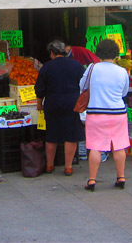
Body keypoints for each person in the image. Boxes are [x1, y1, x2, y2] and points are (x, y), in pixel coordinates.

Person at [81, 39, 130, 192]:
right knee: (119, 145)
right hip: (118, 113)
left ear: (99, 53)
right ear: (115, 53)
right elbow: (124, 92)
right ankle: (121, 177)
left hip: (96, 113)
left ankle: (92, 180)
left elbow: (82, 86)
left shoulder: (92, 68)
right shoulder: (122, 71)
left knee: (95, 146)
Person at [35, 40, 85, 176]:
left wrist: (39, 103)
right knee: (71, 135)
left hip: (53, 103)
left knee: (52, 134)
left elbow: (40, 88)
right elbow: (85, 84)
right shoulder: (77, 65)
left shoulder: (47, 67)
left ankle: (49, 165)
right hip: (72, 103)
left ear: (52, 52)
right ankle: (68, 167)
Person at [66, 44, 105, 162]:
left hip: (87, 96)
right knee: (92, 125)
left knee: (85, 123)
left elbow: (83, 84)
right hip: (98, 101)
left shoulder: (91, 67)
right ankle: (99, 152)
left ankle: (85, 152)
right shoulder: (119, 71)